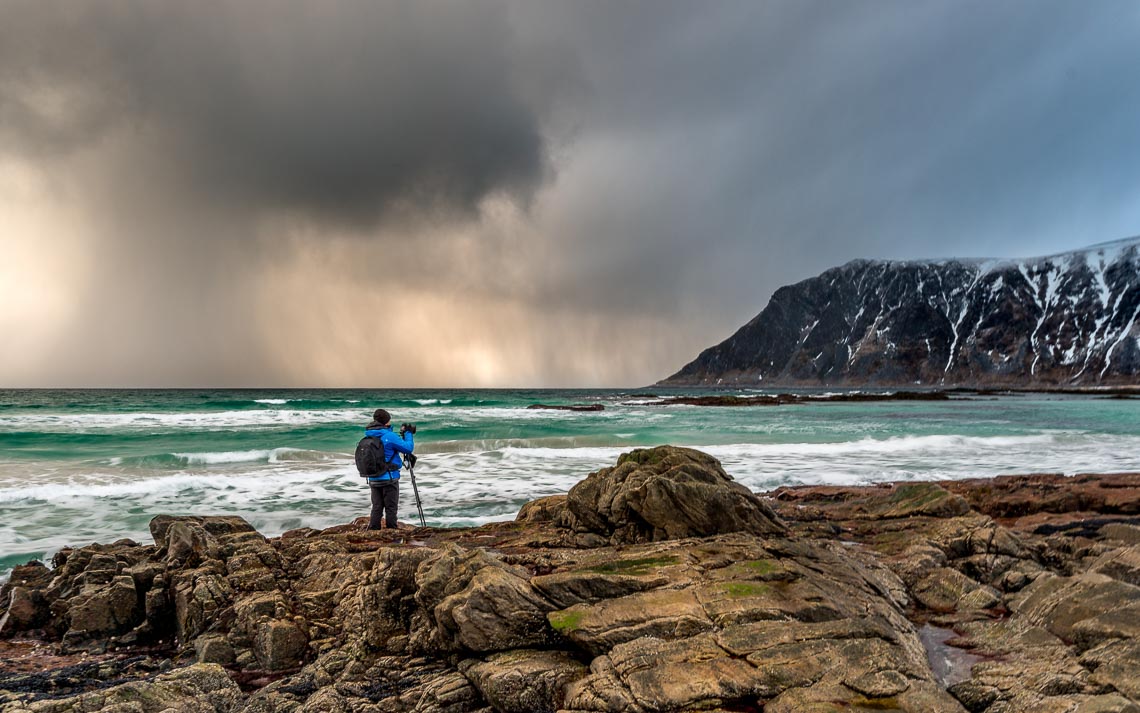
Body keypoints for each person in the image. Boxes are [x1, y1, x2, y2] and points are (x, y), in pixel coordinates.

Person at [362, 408, 415, 529]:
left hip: (374, 478)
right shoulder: (389, 436)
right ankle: (392, 533)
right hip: (389, 478)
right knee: (391, 507)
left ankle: (373, 532)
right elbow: (408, 448)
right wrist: (408, 433)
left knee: (376, 507)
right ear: (386, 422)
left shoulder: (369, 436)